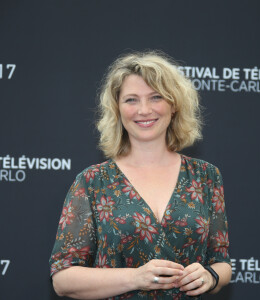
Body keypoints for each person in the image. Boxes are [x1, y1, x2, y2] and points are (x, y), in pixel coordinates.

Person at [49, 51, 232, 299]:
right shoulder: (92, 182)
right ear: (118, 109)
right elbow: (63, 278)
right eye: (131, 100)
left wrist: (210, 277)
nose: (144, 110)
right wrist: (135, 277)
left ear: (174, 104)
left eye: (155, 97)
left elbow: (221, 262)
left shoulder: (206, 176)